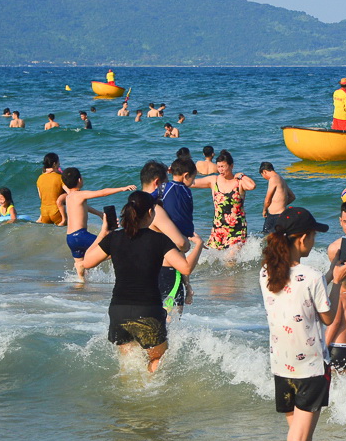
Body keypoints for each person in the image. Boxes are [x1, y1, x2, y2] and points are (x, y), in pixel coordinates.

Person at [260, 207, 346, 441]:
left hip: (281, 365)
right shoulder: (312, 276)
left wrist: (330, 277)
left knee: (298, 434)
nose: (314, 242)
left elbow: (299, 291)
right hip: (310, 369)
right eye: (312, 236)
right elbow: (328, 316)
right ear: (301, 239)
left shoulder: (267, 272)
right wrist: (339, 282)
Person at [83, 191, 204, 373]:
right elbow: (185, 268)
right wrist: (199, 245)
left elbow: (86, 262)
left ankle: (127, 398)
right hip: (148, 309)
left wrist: (103, 233)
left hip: (119, 311)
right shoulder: (159, 240)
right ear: (149, 213)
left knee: (128, 364)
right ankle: (150, 395)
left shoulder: (114, 238)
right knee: (157, 359)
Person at [62, 167, 136, 282]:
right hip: (80, 235)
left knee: (81, 272)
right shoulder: (80, 194)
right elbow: (102, 193)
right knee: (111, 250)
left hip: (70, 238)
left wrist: (99, 214)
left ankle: (81, 285)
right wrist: (122, 188)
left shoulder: (69, 197)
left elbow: (82, 207)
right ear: (80, 180)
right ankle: (83, 266)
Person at [154, 158, 198, 315]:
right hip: (179, 248)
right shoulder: (187, 192)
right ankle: (188, 286)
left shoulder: (164, 187)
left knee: (164, 315)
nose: (193, 182)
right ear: (186, 175)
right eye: (193, 178)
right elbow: (186, 222)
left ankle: (187, 286)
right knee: (174, 317)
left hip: (164, 252)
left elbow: (146, 200)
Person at [192, 150, 256, 251]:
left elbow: (252, 186)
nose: (220, 170)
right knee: (212, 260)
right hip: (218, 228)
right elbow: (191, 183)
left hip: (237, 229)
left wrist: (241, 175)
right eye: (218, 167)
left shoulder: (238, 182)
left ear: (231, 166)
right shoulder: (214, 180)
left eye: (223, 166)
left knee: (229, 260)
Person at [259, 161, 295, 235]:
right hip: (282, 214)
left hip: (274, 216)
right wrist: (282, 204)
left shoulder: (273, 179)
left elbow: (267, 199)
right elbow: (292, 197)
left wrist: (264, 210)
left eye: (262, 175)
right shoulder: (281, 179)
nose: (264, 178)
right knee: (278, 239)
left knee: (267, 239)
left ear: (264, 171)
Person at [36, 153, 66, 226]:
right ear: (54, 164)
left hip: (44, 213)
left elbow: (41, 196)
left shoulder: (40, 178)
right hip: (56, 211)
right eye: (58, 162)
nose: (59, 164)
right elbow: (69, 192)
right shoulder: (59, 177)